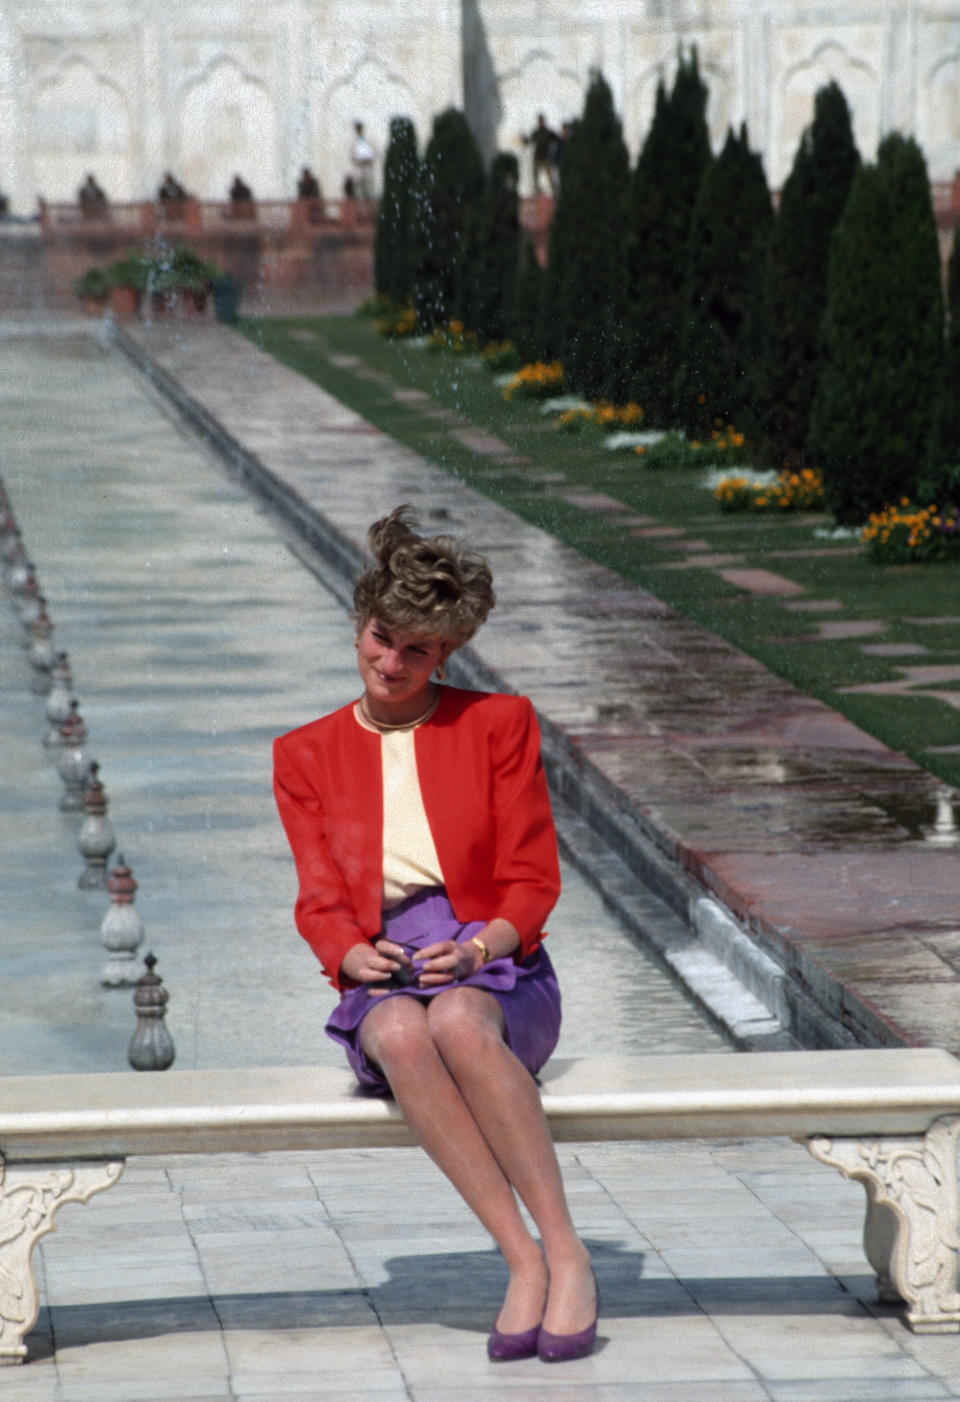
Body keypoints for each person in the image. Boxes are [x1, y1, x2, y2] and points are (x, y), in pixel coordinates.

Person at [273, 506, 598, 1363]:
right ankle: (522, 1261)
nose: (390, 663)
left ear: (444, 655)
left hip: (497, 965)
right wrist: (349, 953)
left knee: (454, 1019)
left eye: (415, 652)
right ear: (360, 624)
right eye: (381, 638)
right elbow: (317, 901)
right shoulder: (303, 754)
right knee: (399, 1031)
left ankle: (568, 1254)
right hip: (384, 967)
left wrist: (482, 947)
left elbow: (534, 881)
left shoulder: (497, 725)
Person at [521, 114, 558, 195]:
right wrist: (523, 139)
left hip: (546, 158)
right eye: (539, 121)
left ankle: (555, 193)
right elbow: (528, 142)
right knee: (535, 177)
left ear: (543, 121)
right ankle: (536, 194)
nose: (540, 122)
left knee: (550, 177)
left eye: (541, 120)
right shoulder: (536, 133)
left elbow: (557, 139)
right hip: (537, 158)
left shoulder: (548, 132)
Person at [350, 120, 375, 200]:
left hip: (367, 167)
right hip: (358, 167)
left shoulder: (367, 140)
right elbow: (353, 155)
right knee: (359, 188)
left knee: (368, 187)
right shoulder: (354, 141)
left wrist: (367, 159)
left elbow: (371, 153)